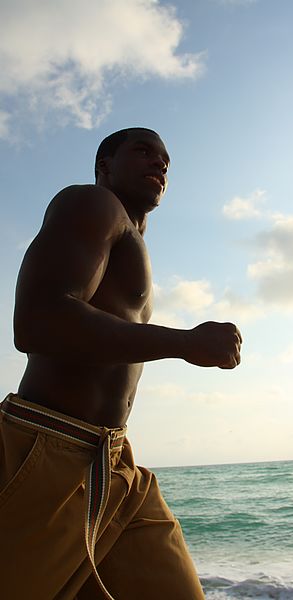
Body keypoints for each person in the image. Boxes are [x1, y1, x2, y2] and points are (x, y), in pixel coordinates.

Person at [0, 127, 242, 599]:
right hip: (45, 447)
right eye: (144, 151)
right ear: (104, 166)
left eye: (166, 158)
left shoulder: (131, 239)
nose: (160, 163)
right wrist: (185, 342)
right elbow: (38, 320)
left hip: (115, 466)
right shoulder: (92, 204)